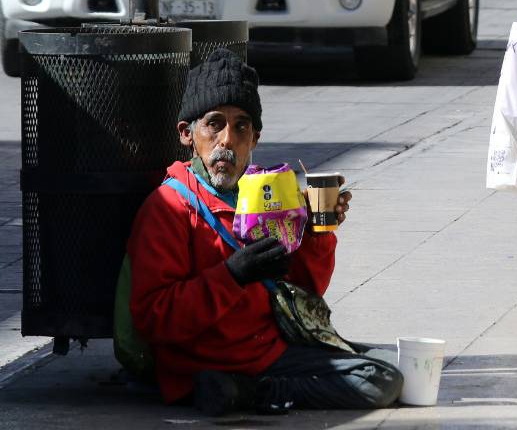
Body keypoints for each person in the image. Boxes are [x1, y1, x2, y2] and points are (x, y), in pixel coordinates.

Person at [127, 49, 403, 415]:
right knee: (379, 381)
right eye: (214, 124)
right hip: (204, 361)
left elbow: (302, 292)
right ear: (187, 135)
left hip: (268, 348)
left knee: (393, 367)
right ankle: (255, 391)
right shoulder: (169, 207)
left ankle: (246, 391)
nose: (227, 140)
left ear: (254, 139)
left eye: (241, 126)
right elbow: (153, 319)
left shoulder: (264, 197)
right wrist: (232, 276)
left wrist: (318, 232)